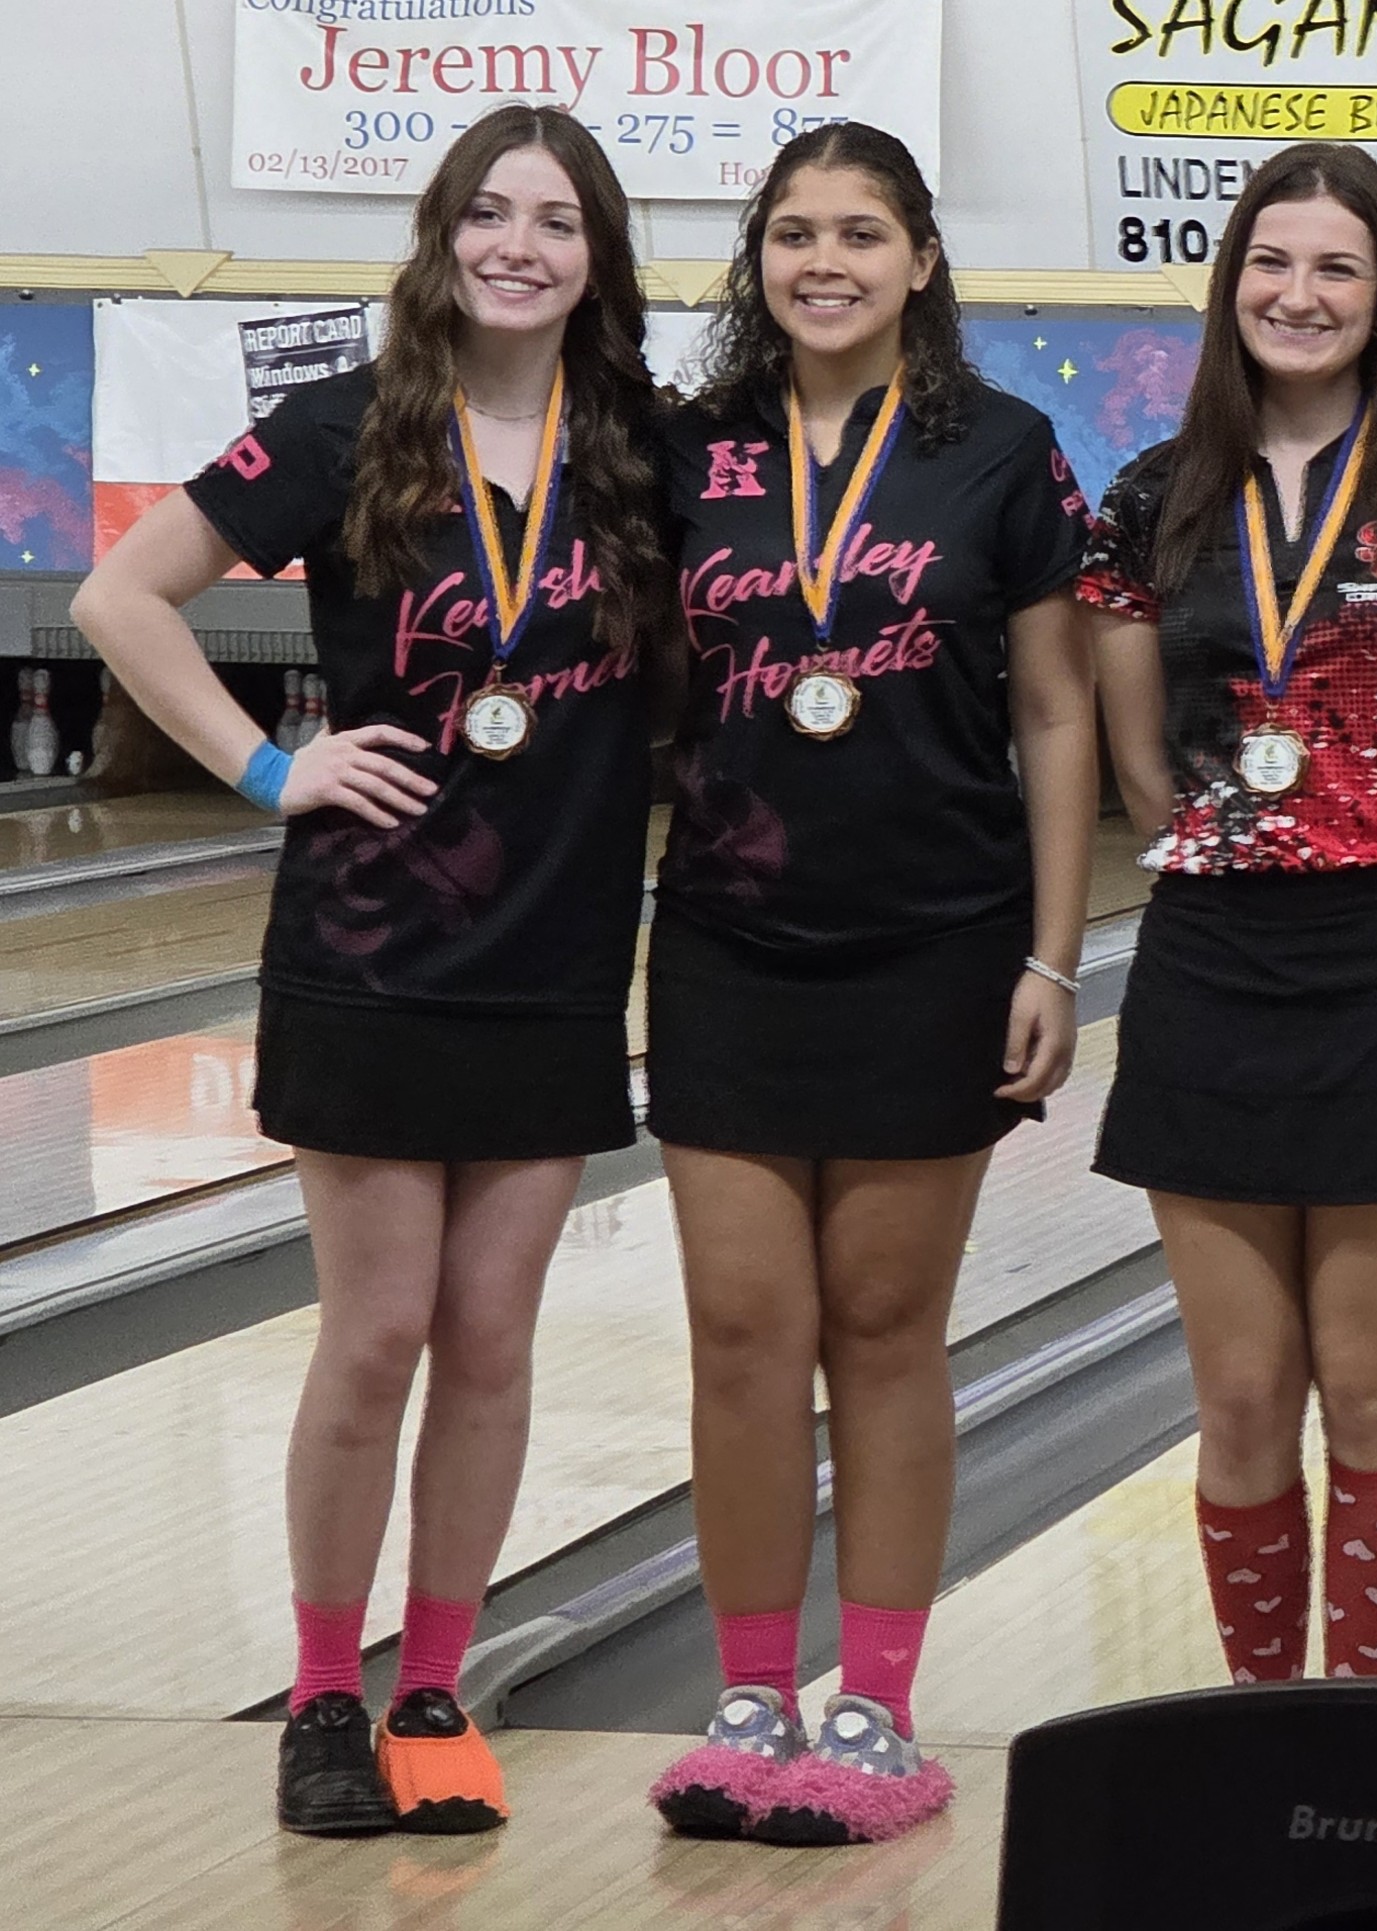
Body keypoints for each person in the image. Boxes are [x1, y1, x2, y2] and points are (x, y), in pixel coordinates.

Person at [67, 105, 669, 1837]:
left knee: (491, 1338)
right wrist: (271, 770)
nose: (520, 248)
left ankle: (431, 1688)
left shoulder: (635, 446)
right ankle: (325, 1692)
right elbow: (121, 597)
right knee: (379, 1327)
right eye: (490, 214)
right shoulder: (344, 431)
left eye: (557, 222)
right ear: (441, 234)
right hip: (370, 944)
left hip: (555, 949)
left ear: (596, 258)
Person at [636, 123, 1096, 1846]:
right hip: (730, 946)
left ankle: (879, 1714)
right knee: (746, 1331)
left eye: (862, 233)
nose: (824, 261)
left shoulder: (1002, 451)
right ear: (759, 261)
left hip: (938, 941)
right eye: (793, 234)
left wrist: (1054, 951)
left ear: (919, 259)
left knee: (887, 1331)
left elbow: (1055, 714)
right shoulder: (684, 455)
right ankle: (751, 1691)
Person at [1078, 142, 1377, 1690]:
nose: (1299, 294)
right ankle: (1258, 1721)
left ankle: (1359, 1720)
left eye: (1336, 267)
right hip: (1214, 964)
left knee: (1365, 1390)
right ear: (1231, 290)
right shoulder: (1156, 497)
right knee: (1237, 1396)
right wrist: (1254, 846)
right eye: (1271, 265)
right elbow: (1142, 769)